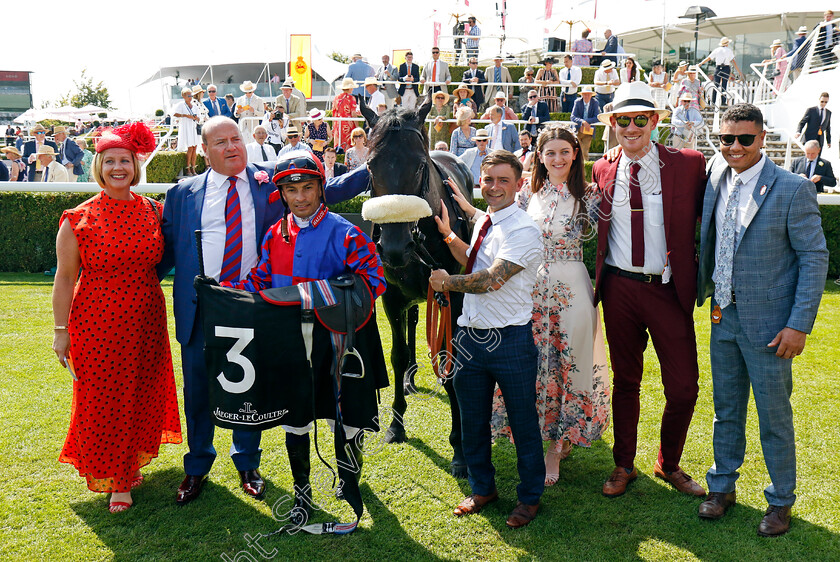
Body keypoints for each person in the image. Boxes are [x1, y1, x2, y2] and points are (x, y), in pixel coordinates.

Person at [158, 116, 373, 506]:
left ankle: (248, 463)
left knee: (248, 386)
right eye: (219, 142)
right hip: (202, 307)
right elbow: (163, 251)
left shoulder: (270, 183)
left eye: (235, 138)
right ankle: (198, 464)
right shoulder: (182, 193)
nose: (231, 147)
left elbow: (319, 189)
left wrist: (374, 168)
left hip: (258, 311)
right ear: (204, 150)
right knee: (199, 390)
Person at [219, 150, 387, 521]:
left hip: (338, 343)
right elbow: (259, 282)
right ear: (280, 193)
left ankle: (349, 479)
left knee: (344, 417)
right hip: (290, 341)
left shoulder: (347, 233)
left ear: (320, 188)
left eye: (307, 187)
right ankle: (302, 492)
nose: (300, 197)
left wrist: (319, 293)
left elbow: (375, 281)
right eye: (291, 190)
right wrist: (222, 291)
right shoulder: (273, 236)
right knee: (296, 418)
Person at [696, 103, 829, 537]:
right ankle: (722, 488)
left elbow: (814, 257)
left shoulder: (792, 189)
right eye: (725, 139)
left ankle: (780, 501)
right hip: (723, 316)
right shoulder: (716, 178)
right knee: (725, 410)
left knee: (774, 416)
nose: (733, 147)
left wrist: (799, 324)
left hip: (773, 327)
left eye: (744, 139)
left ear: (763, 138)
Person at [52, 122, 182, 513]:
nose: (118, 168)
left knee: (140, 393)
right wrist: (61, 332)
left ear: (135, 165)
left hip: (146, 321)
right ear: (99, 166)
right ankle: (118, 481)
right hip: (97, 322)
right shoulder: (78, 218)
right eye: (110, 161)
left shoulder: (152, 211)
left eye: (124, 160)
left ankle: (128, 463)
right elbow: (62, 280)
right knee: (104, 399)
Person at [591, 82, 707, 499]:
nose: (632, 127)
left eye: (641, 118)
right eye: (624, 119)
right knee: (626, 382)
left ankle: (668, 463)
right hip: (619, 287)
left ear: (656, 121)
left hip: (667, 289)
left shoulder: (691, 164)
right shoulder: (602, 167)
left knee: (684, 387)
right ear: (613, 124)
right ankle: (624, 464)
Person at [429, 150, 544, 529]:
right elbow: (473, 261)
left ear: (519, 184)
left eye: (502, 180)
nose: (493, 186)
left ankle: (529, 498)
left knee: (523, 422)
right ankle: (483, 488)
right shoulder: (485, 221)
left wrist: (447, 282)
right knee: (472, 420)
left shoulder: (524, 229)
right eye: (488, 179)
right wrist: (448, 234)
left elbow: (491, 279)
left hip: (510, 341)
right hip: (469, 340)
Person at [699, 38, 743, 107]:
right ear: (727, 44)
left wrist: (701, 63)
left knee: (716, 85)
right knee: (724, 85)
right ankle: (723, 102)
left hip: (718, 68)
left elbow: (709, 58)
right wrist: (739, 71)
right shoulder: (729, 50)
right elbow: (733, 61)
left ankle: (713, 102)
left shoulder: (717, 50)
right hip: (726, 68)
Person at [172, 87, 200, 176]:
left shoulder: (194, 106)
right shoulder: (181, 105)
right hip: (186, 127)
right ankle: (188, 168)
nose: (190, 97)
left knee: (194, 147)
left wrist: (196, 117)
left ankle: (193, 168)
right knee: (190, 148)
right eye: (188, 95)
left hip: (193, 127)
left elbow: (199, 117)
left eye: (191, 95)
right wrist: (185, 115)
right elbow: (174, 113)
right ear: (184, 96)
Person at [570, 86, 600, 161]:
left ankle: (585, 169)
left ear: (591, 95)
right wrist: (582, 122)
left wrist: (587, 122)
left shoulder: (595, 102)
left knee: (585, 151)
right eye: (585, 94)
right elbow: (573, 117)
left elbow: (597, 117)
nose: (587, 96)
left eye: (588, 94)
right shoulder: (577, 102)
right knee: (576, 151)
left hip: (588, 130)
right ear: (582, 95)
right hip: (577, 130)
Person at [332, 78, 361, 150]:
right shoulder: (351, 98)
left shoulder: (336, 98)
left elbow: (334, 113)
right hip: (348, 125)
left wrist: (334, 127)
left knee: (339, 147)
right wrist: (357, 126)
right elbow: (353, 113)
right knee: (349, 147)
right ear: (350, 88)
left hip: (338, 124)